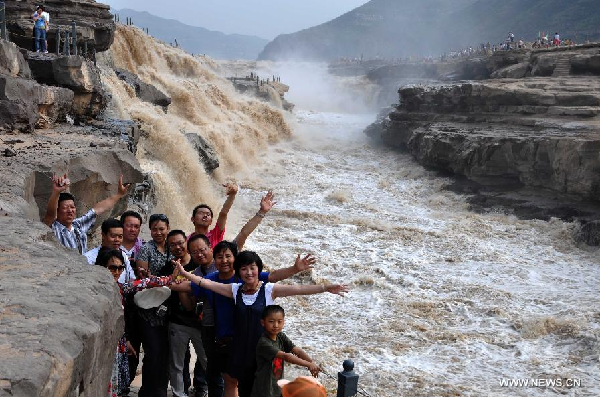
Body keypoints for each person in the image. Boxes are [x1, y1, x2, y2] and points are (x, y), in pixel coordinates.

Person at [175, 252, 348, 397]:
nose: (249, 272)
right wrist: (185, 272)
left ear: (259, 269)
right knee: (245, 390)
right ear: (238, 272)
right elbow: (206, 283)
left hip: (267, 353)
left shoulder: (269, 290)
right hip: (242, 352)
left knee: (269, 391)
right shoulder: (235, 290)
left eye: (252, 268)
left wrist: (326, 288)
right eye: (244, 269)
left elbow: (299, 290)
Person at [165, 230, 209, 397]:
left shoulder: (199, 266)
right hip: (177, 322)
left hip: (200, 324)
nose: (177, 247)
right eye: (173, 244)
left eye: (180, 243)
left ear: (186, 244)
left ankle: (212, 390)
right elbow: (164, 288)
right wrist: (172, 279)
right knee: (177, 363)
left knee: (206, 361)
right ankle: (178, 393)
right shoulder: (168, 266)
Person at [43, 174, 131, 254]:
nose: (70, 210)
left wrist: (119, 195)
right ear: (57, 210)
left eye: (72, 207)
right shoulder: (53, 228)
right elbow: (50, 215)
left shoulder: (78, 225)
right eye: (65, 208)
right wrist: (56, 192)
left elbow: (99, 208)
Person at [134, 213, 172, 397]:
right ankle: (148, 390)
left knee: (165, 351)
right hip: (148, 308)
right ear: (150, 230)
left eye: (162, 229)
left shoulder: (173, 248)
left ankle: (161, 389)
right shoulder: (146, 249)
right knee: (153, 350)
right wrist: (164, 280)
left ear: (168, 229)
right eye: (154, 229)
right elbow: (143, 279)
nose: (158, 232)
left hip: (170, 307)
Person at [250, 305, 320, 397]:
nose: (275, 325)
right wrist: (308, 365)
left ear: (284, 322)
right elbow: (286, 356)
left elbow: (297, 351)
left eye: (279, 322)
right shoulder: (264, 343)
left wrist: (312, 363)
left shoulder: (280, 336)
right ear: (263, 322)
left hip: (277, 386)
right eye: (271, 322)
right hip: (264, 389)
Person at [84, 218, 136, 284]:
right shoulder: (88, 258)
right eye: (113, 236)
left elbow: (131, 281)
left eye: (120, 236)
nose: (117, 240)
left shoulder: (123, 255)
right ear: (103, 235)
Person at [189, 183, 238, 249]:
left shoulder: (215, 235)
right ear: (192, 219)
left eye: (208, 214)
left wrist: (232, 195)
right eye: (201, 213)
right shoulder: (187, 240)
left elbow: (223, 213)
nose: (205, 215)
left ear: (211, 221)